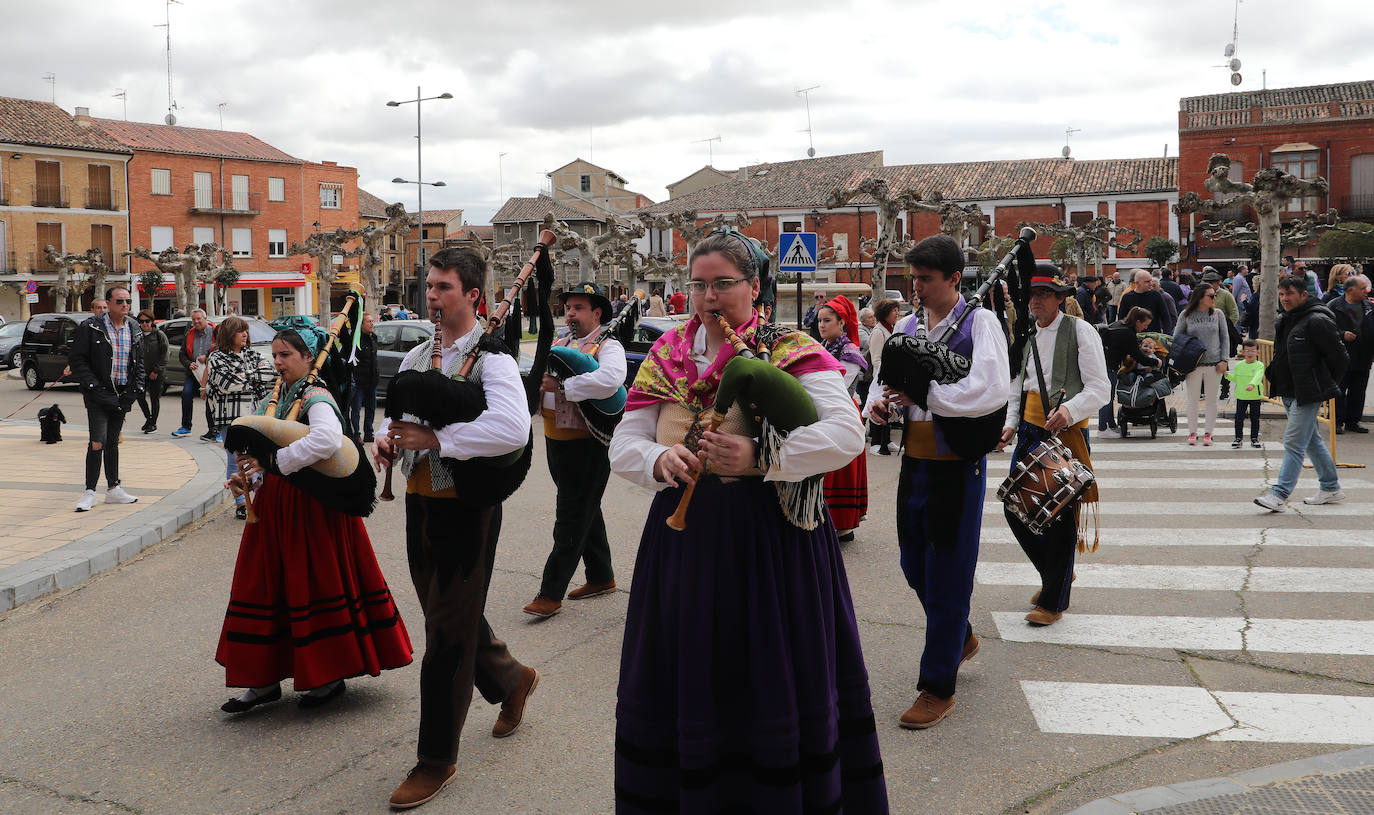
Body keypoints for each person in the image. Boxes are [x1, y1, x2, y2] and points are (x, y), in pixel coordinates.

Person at [608, 229, 888, 812]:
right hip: (684, 544)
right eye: (699, 285)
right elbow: (623, 443)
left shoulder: (789, 348)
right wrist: (659, 460)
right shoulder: (668, 356)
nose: (708, 297)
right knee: (692, 677)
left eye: (722, 285)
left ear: (753, 287)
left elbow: (845, 433)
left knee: (770, 676)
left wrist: (762, 459)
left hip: (771, 543)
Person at [374, 247, 540, 810]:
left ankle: (435, 760)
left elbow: (513, 429)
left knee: (445, 634)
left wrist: (441, 440)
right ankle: (510, 678)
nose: (433, 296)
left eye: (444, 287)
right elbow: (399, 413)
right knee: (449, 611)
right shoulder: (421, 352)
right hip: (422, 500)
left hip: (468, 506)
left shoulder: (491, 357)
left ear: (473, 296)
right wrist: (386, 436)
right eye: (429, 286)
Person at [217, 328, 413, 713]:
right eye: (275, 354)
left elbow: (326, 440)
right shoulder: (277, 396)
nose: (278, 362)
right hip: (275, 507)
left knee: (313, 583)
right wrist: (250, 479)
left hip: (312, 508)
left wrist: (277, 463)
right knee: (263, 586)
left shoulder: (316, 395)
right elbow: (262, 449)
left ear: (309, 358)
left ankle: (327, 675)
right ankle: (261, 679)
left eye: (286, 354)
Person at [864, 235, 1008, 729]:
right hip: (916, 460)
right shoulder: (907, 325)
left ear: (953, 278)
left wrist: (926, 394)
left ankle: (937, 685)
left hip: (956, 462)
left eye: (926, 279)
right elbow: (884, 380)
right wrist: (878, 405)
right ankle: (960, 635)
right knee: (912, 563)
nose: (917, 287)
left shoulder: (980, 323)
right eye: (914, 278)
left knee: (947, 570)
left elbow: (987, 389)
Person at [997, 268, 1109, 628]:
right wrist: (1010, 424)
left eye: (1044, 293)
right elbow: (1018, 386)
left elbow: (1100, 388)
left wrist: (1069, 410)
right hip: (1031, 430)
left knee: (1059, 519)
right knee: (1016, 510)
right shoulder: (1025, 335)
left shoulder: (1081, 331)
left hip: (1066, 432)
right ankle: (1056, 573)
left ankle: (1053, 599)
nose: (1036, 300)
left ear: (1060, 298)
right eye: (1032, 294)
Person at [523, 281, 624, 619]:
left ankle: (550, 593)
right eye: (568, 308)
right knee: (585, 509)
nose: (571, 314)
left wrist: (564, 385)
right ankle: (601, 576)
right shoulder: (559, 342)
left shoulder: (609, 346)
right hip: (557, 440)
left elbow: (610, 380)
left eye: (579, 308)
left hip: (589, 444)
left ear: (597, 313)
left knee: (570, 516)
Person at [1254, 276, 1348, 512]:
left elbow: (1340, 358)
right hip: (1289, 390)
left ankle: (1279, 494)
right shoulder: (1286, 318)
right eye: (1282, 294)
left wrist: (1323, 385)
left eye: (1290, 294)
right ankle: (1331, 486)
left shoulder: (1317, 321)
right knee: (1312, 441)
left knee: (1293, 442)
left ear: (1303, 295)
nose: (1285, 298)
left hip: (1308, 393)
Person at [68, 285, 145, 512]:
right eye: (120, 301)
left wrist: (135, 389)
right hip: (98, 394)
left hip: (122, 394)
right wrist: (94, 387)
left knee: (113, 441)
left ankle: (113, 488)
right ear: (109, 303)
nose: (125, 305)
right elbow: (78, 360)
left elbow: (139, 362)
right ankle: (90, 491)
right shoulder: (91, 326)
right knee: (97, 441)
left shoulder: (134, 327)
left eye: (128, 301)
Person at [205, 316, 271, 519]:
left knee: (258, 457)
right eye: (239, 331)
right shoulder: (217, 358)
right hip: (231, 418)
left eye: (246, 330)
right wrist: (252, 377)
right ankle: (242, 503)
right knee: (236, 460)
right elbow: (227, 385)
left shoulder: (252, 353)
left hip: (256, 415)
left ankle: (259, 498)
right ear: (228, 334)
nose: (245, 334)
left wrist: (244, 376)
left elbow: (269, 375)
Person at [816, 294, 869, 542]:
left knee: (840, 468)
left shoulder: (850, 353)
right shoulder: (823, 348)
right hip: (826, 411)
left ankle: (843, 524)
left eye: (827, 320)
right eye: (819, 321)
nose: (822, 325)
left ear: (842, 323)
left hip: (843, 412)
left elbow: (840, 385)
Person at [1174, 284, 1231, 447]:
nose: (1214, 299)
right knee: (1192, 400)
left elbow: (1224, 338)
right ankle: (1192, 432)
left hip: (1215, 364)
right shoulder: (1186, 314)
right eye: (1211, 296)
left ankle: (1208, 433)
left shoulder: (1218, 314)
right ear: (1200, 297)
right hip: (1193, 365)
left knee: (1212, 400)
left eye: (1215, 296)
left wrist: (1224, 360)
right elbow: (1177, 338)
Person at [1099, 306, 1160, 432]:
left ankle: (1110, 425)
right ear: (1138, 322)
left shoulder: (1120, 324)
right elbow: (1139, 357)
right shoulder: (1128, 333)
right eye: (1145, 324)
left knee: (1108, 397)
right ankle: (1103, 428)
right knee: (1106, 398)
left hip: (1105, 364)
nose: (1146, 328)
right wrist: (1156, 362)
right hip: (1108, 366)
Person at [1330, 273, 1374, 434]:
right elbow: (1325, 329)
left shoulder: (1369, 307)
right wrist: (1342, 334)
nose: (1366, 291)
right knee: (1339, 392)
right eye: (1362, 288)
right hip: (1340, 358)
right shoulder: (1334, 306)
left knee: (1358, 392)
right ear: (1349, 290)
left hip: (1363, 357)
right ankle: (1336, 422)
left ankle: (1353, 421)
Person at [173, 309, 215, 437]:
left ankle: (213, 430)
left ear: (205, 318)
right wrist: (188, 363)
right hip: (194, 372)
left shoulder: (215, 332)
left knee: (210, 399)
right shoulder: (189, 334)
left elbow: (222, 351)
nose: (196, 322)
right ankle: (186, 427)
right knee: (186, 394)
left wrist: (207, 358)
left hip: (211, 373)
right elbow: (182, 354)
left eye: (198, 319)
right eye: (193, 319)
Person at [867, 298, 901, 455]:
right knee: (878, 409)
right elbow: (876, 359)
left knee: (889, 409)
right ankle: (876, 441)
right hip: (880, 379)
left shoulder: (892, 329)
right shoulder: (878, 332)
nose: (897, 313)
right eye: (894, 310)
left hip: (890, 378)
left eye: (897, 310)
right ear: (885, 312)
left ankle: (886, 440)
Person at [134, 311, 169, 434]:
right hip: (141, 373)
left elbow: (165, 355)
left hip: (156, 373)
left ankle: (153, 423)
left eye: (147, 321)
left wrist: (156, 370)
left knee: (154, 398)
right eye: (141, 321)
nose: (144, 324)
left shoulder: (159, 335)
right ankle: (148, 419)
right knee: (139, 396)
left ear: (152, 321)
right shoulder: (137, 335)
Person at [1227, 339, 1265, 448]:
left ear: (1258, 352)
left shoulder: (1259, 365)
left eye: (1253, 351)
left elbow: (1258, 376)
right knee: (1239, 418)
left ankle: (1254, 438)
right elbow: (1235, 378)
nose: (1250, 354)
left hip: (1255, 396)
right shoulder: (1239, 366)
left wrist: (1252, 385)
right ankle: (1238, 438)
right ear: (1243, 352)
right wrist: (1226, 374)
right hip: (1241, 396)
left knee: (1255, 418)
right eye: (1247, 351)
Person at [349, 311, 379, 442]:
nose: (372, 323)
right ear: (361, 325)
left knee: (371, 409)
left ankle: (369, 433)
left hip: (371, 382)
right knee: (356, 410)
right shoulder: (356, 339)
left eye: (372, 321)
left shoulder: (374, 338)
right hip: (359, 382)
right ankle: (356, 434)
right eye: (369, 321)